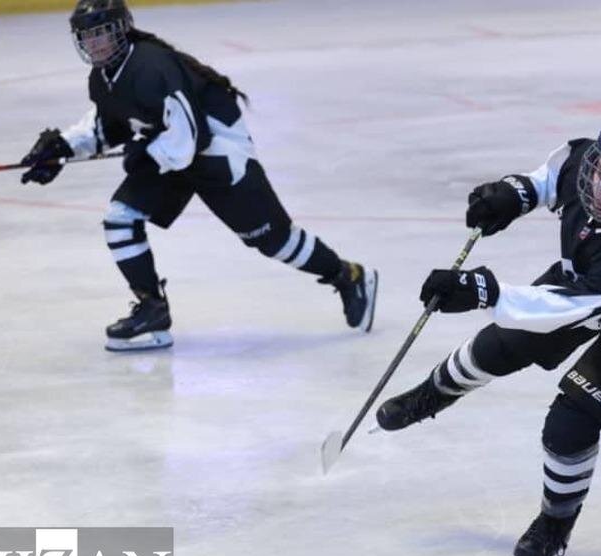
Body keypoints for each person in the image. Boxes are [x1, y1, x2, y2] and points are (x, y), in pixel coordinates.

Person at [375, 113, 601, 556]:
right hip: (584, 284)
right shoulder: (588, 165)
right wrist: (512, 195)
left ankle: (556, 521)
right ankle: (436, 392)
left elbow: (562, 308)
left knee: (568, 426)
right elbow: (550, 178)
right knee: (496, 348)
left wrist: (481, 291)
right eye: (600, 172)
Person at [20, 0, 377, 351]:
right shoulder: (104, 77)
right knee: (120, 217)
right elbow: (111, 122)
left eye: (102, 33)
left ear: (121, 30)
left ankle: (349, 276)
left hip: (217, 156)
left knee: (275, 242)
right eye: (87, 36)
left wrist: (142, 152)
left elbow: (189, 140)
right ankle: (152, 309)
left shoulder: (153, 68)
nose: (94, 43)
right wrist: (63, 147)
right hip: (173, 155)